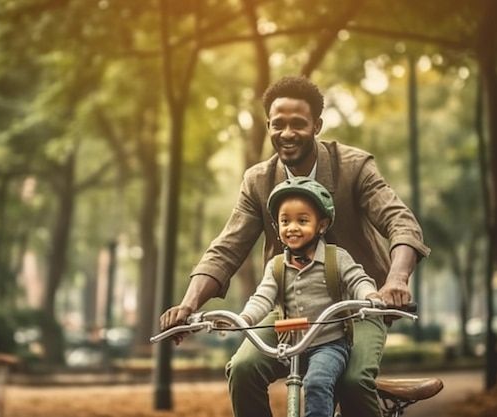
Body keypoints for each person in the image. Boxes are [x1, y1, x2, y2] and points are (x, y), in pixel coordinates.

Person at [159, 75, 430, 417]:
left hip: (360, 304)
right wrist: (188, 304)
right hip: (292, 306)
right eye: (278, 124)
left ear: (317, 125)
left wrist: (395, 281)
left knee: (352, 380)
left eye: (298, 124)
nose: (287, 133)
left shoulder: (354, 167)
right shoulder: (258, 181)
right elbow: (225, 249)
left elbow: (400, 222)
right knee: (243, 369)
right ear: (268, 125)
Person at [239, 176, 381, 417]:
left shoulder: (337, 258)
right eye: (285, 221)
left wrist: (370, 296)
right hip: (292, 346)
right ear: (277, 226)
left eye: (302, 220)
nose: (292, 227)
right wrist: (244, 319)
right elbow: (262, 297)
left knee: (316, 383)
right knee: (244, 368)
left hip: (331, 345)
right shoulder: (276, 267)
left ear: (322, 225)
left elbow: (358, 280)